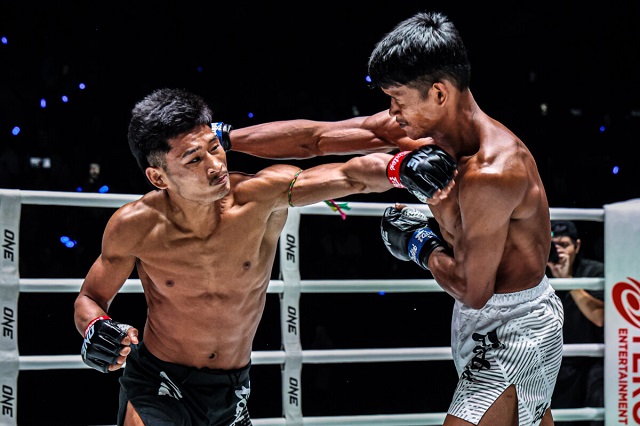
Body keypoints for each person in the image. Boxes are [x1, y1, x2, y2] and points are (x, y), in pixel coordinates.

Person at [73, 87, 456, 426]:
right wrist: (95, 326)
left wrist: (398, 168)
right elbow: (91, 297)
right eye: (193, 160)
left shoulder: (260, 197)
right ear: (158, 177)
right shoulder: (134, 225)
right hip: (157, 381)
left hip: (232, 386)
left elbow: (348, 176)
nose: (215, 165)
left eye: (214, 147)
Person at [281, 11, 562, 426]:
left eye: (398, 98)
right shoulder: (428, 134)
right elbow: (316, 139)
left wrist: (418, 243)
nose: (391, 111)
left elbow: (473, 290)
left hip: (514, 332)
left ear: (439, 93)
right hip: (481, 323)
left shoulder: (492, 171)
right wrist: (223, 138)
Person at [547, 220, 604, 426]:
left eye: (563, 244)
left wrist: (569, 281)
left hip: (592, 363)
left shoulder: (595, 272)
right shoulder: (534, 275)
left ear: (577, 246)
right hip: (552, 363)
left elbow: (600, 317)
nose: (558, 251)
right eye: (553, 245)